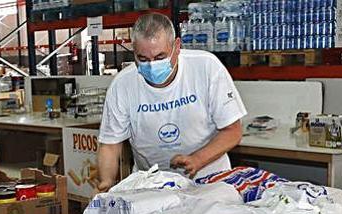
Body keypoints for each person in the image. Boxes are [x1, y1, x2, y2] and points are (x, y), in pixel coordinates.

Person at [97, 13, 246, 191]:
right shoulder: (122, 85)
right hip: (153, 186)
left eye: (160, 57)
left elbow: (233, 131)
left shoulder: (206, 67)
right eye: (142, 59)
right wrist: (106, 183)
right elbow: (110, 145)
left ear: (176, 46)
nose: (151, 65)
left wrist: (198, 159)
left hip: (210, 181)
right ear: (133, 50)